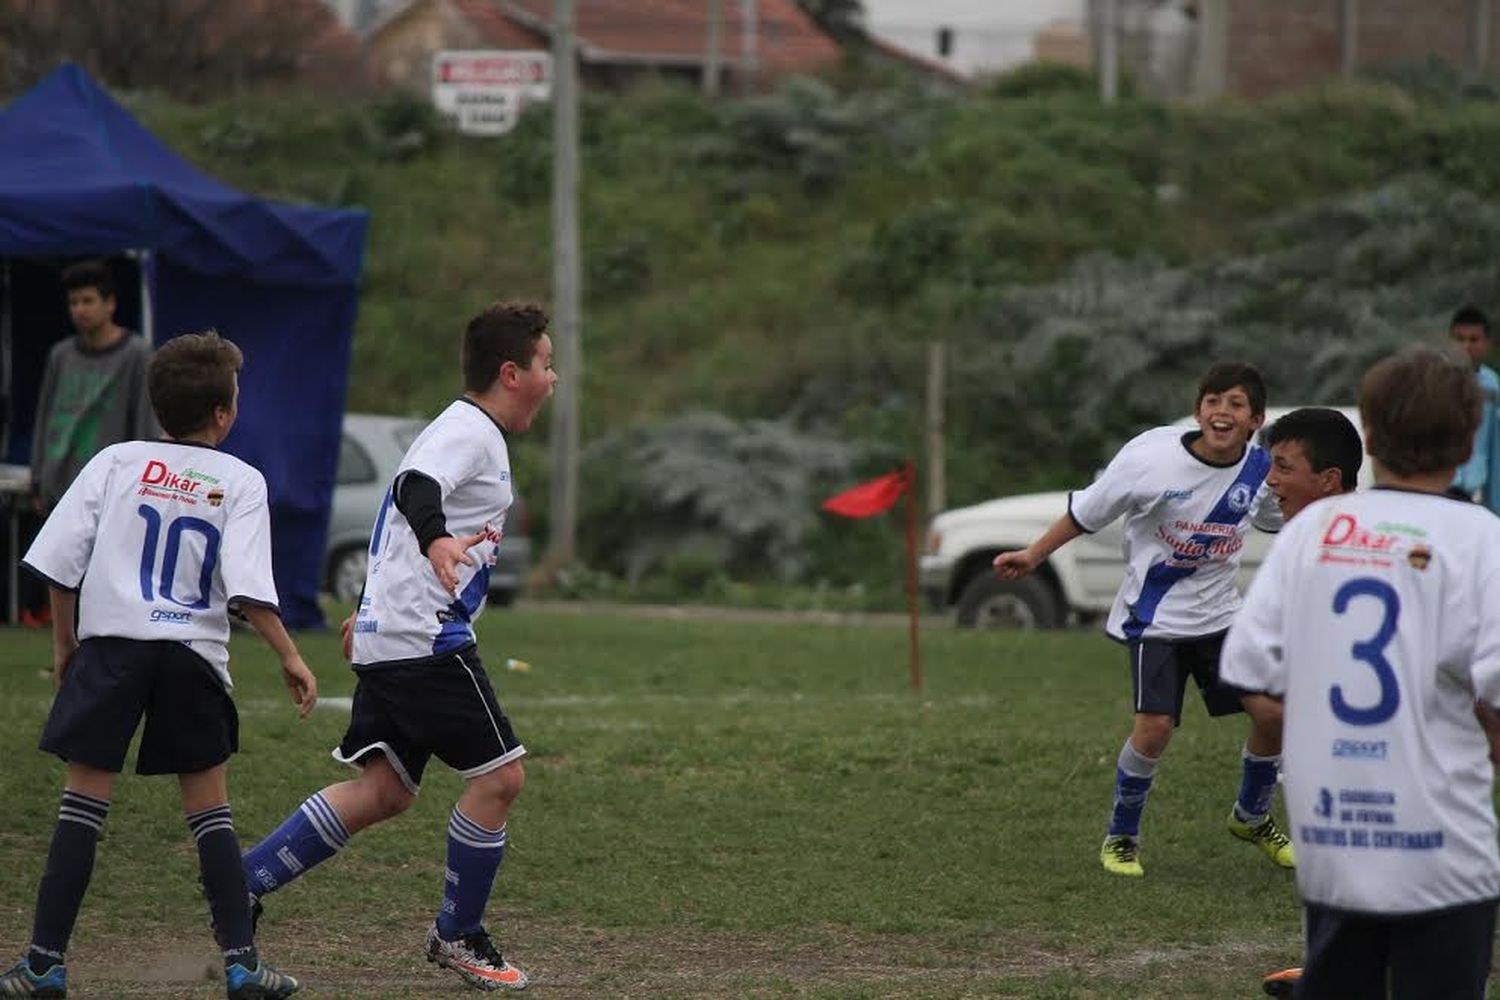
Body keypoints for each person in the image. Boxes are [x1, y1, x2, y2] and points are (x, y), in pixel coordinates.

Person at [237, 301, 556, 992]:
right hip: (426, 638)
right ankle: (457, 933)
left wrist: (365, 608)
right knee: (500, 779)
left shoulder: (459, 430)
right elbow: (413, 491)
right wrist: (439, 540)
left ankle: (242, 882)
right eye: (546, 365)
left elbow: (391, 511)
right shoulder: (471, 430)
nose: (552, 379)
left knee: (382, 791)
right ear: (511, 372)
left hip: (393, 633)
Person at [1, 331, 317, 999]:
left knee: (81, 806)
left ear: (156, 408)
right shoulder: (241, 479)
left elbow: (59, 563)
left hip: (112, 648)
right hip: (192, 657)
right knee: (211, 813)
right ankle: (241, 963)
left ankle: (44, 964)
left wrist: (65, 646)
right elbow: (249, 588)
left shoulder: (116, 461)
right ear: (225, 414)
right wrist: (289, 654)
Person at [1224, 346, 1500, 1000]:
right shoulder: (1480, 539)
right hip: (1445, 853)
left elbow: (1248, 672)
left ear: (1369, 438)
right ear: (1467, 445)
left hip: (1333, 850)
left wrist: (1315, 734)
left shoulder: (1313, 531)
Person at [994, 361, 1290, 877]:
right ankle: (1122, 836)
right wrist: (1034, 554)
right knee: (1153, 730)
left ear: (1255, 419)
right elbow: (1089, 511)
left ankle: (1252, 816)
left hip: (1222, 618)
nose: (1221, 412)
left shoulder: (1259, 471)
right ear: (1198, 410)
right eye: (1213, 401)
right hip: (1156, 619)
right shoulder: (1151, 456)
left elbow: (1276, 517)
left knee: (1273, 715)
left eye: (1235, 404)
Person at [1253, 407, 1365, 999]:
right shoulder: (1348, 532)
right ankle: (1327, 963)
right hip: (1341, 728)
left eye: (1283, 467)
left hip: (1340, 731)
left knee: (1340, 854)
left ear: (1328, 479)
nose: (1271, 480)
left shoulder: (1325, 544)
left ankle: (1337, 971)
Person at [21, 259, 156, 628]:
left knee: (105, 575)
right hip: (60, 480)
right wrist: (38, 475)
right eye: (73, 302)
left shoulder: (136, 354)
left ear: (110, 303)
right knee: (64, 573)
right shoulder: (61, 354)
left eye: (88, 300)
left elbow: (144, 421)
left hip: (110, 484)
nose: (80, 310)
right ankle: (67, 651)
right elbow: (45, 417)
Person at [1446, 304, 1500, 513]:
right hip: (1440, 486)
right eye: (1460, 339)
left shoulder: (1491, 385)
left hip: (1471, 490)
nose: (1466, 346)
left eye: (1474, 339)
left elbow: (1494, 446)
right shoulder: (1436, 379)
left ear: (1487, 343)